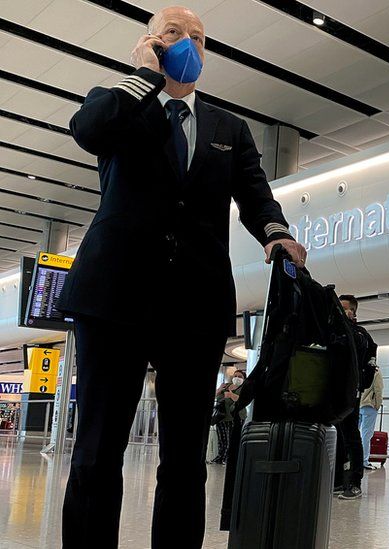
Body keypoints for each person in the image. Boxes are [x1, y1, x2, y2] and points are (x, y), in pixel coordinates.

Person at [58, 6, 306, 548]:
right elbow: (88, 131)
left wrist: (275, 230)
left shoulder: (228, 128)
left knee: (185, 459)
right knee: (98, 451)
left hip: (194, 305)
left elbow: (254, 191)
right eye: (175, 34)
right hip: (113, 298)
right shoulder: (120, 102)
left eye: (198, 37)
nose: (189, 43)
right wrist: (145, 75)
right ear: (149, 41)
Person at [334, 295, 378, 500]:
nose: (341, 311)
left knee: (351, 434)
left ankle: (354, 481)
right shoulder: (334, 329)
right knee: (338, 435)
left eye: (345, 308)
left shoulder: (359, 334)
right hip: (334, 390)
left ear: (353, 311)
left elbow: (363, 357)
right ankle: (338, 480)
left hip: (351, 391)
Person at [211, 369, 247, 465]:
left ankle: (227, 458)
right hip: (221, 416)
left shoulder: (244, 388)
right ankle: (220, 457)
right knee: (222, 439)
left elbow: (243, 400)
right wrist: (219, 390)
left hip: (235, 417)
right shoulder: (226, 386)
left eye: (240, 377)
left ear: (244, 378)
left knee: (231, 440)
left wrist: (230, 395)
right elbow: (216, 396)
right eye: (235, 376)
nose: (237, 378)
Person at [359, 364, 383, 471]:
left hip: (358, 405)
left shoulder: (360, 368)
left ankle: (353, 459)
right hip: (370, 405)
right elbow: (378, 390)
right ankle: (364, 460)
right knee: (366, 434)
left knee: (356, 433)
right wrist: (378, 405)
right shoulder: (376, 372)